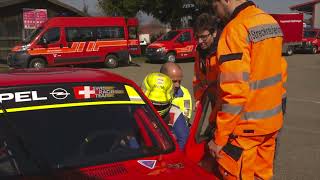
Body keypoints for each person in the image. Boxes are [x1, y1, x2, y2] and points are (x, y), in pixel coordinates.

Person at [209, 1, 284, 179]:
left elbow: (235, 93)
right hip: (271, 125)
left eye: (215, 6)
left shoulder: (235, 29)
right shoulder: (270, 22)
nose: (216, 13)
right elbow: (281, 72)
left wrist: (219, 139)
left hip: (246, 132)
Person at [141, 72, 189, 149]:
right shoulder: (135, 110)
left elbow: (184, 140)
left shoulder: (175, 112)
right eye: (153, 105)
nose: (156, 110)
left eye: (161, 105)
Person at [192, 13, 221, 127]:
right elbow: (198, 79)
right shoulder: (199, 52)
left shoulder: (224, 50)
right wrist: (198, 98)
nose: (200, 41)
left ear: (214, 33)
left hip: (228, 105)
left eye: (203, 37)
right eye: (197, 37)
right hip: (214, 101)